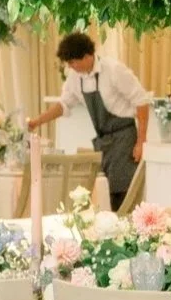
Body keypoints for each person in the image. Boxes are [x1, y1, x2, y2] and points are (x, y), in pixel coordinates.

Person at [26, 30, 148, 208]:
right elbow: (63, 105)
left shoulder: (113, 70)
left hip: (124, 138)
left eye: (74, 61)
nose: (72, 66)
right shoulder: (75, 78)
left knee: (123, 192)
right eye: (69, 63)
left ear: (87, 56)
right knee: (104, 191)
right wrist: (37, 121)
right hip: (102, 141)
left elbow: (141, 101)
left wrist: (141, 142)